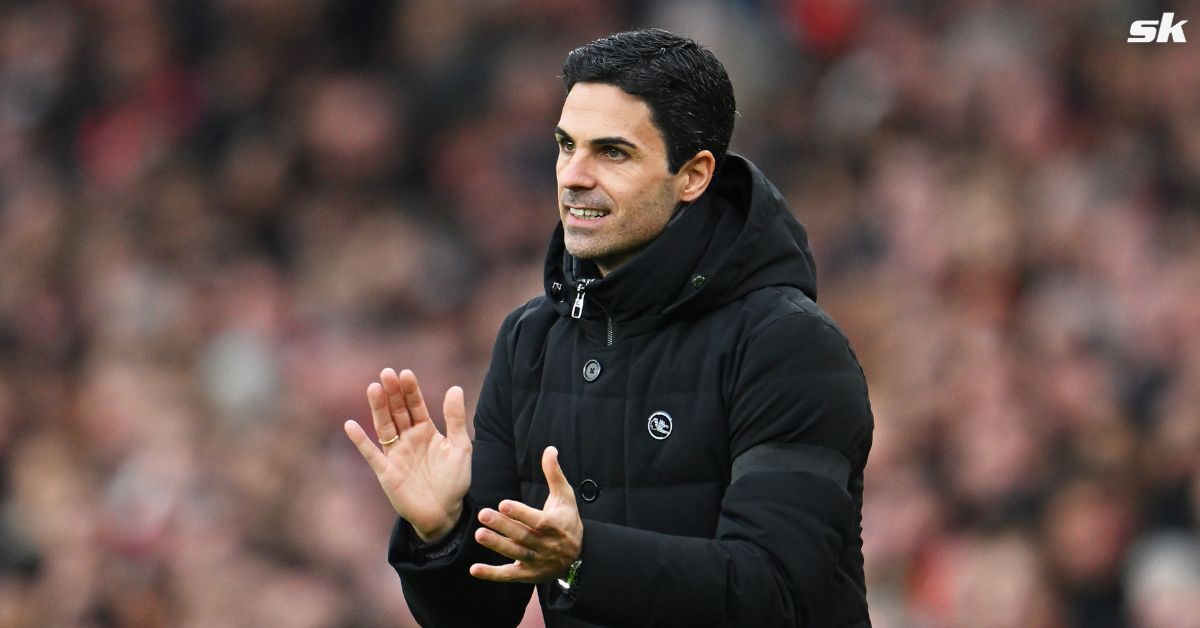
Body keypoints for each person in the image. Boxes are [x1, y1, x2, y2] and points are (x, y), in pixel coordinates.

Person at [344, 28, 873, 627]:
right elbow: (482, 610)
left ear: (694, 175)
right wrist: (441, 534)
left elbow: (772, 592)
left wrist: (581, 557)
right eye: (566, 146)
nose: (573, 176)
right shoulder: (530, 341)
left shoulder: (788, 345)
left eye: (612, 152)